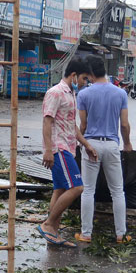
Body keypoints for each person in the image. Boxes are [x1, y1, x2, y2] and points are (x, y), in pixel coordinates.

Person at [39, 60, 97, 248]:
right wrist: (49, 150)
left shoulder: (71, 94)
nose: (84, 83)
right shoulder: (55, 92)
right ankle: (48, 224)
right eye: (83, 79)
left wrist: (86, 145)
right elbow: (47, 122)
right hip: (58, 148)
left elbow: (72, 125)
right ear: (73, 75)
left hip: (69, 148)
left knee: (60, 189)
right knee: (77, 187)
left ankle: (53, 232)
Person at [75, 56, 133, 244]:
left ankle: (86, 234)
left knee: (88, 190)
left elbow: (82, 125)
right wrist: (127, 144)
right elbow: (124, 125)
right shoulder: (120, 94)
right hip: (111, 145)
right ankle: (121, 234)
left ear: (90, 74)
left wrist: (81, 143)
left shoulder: (83, 94)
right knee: (117, 191)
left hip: (91, 145)